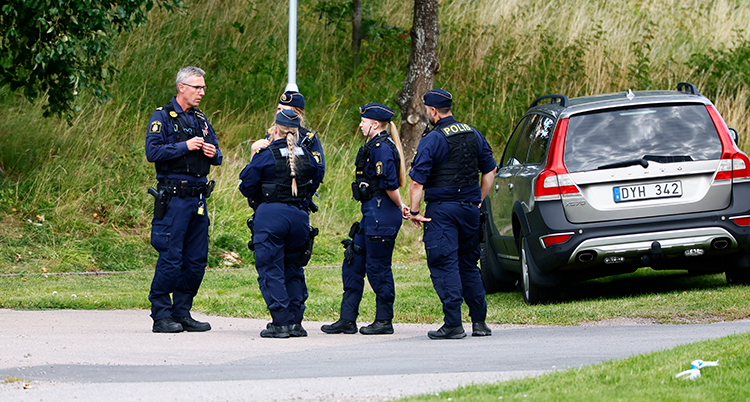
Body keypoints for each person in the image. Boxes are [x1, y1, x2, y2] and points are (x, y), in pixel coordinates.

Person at [408, 88, 497, 339]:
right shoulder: (473, 134)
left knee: (444, 263)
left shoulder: (433, 139)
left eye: (427, 110)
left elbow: (417, 183)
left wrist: (414, 212)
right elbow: (490, 172)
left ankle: (453, 324)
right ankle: (479, 322)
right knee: (469, 265)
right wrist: (477, 200)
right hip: (469, 211)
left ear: (433, 111)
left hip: (442, 212)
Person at [145, 66, 222, 333]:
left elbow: (219, 155)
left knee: (196, 260)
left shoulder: (200, 119)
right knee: (171, 257)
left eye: (203, 88)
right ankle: (161, 315)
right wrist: (184, 146)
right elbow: (152, 152)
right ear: (181, 87)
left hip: (198, 198)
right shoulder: (163, 117)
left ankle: (182, 311)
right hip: (174, 198)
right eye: (197, 87)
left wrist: (213, 152)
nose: (201, 92)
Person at [321, 103, 410, 335]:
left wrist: (401, 206)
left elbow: (390, 184)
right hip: (372, 212)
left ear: (375, 124)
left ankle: (384, 320)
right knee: (352, 262)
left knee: (378, 268)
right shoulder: (374, 145)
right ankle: (347, 319)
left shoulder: (381, 148)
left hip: (382, 213)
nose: (360, 124)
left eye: (364, 121)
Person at [239, 109, 324, 338]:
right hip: (299, 217)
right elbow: (316, 178)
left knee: (271, 269)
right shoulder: (306, 154)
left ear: (274, 129)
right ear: (296, 131)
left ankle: (281, 322)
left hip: (271, 217)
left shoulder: (266, 155)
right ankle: (295, 322)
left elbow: (245, 185)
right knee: (293, 268)